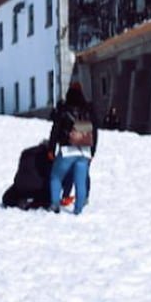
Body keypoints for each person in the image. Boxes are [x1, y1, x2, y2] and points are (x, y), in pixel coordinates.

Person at [49, 83, 98, 215]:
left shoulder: (64, 110)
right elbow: (95, 131)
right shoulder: (88, 110)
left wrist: (51, 149)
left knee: (56, 177)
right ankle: (78, 209)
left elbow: (55, 131)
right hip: (85, 151)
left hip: (67, 151)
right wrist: (92, 152)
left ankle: (55, 204)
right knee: (80, 182)